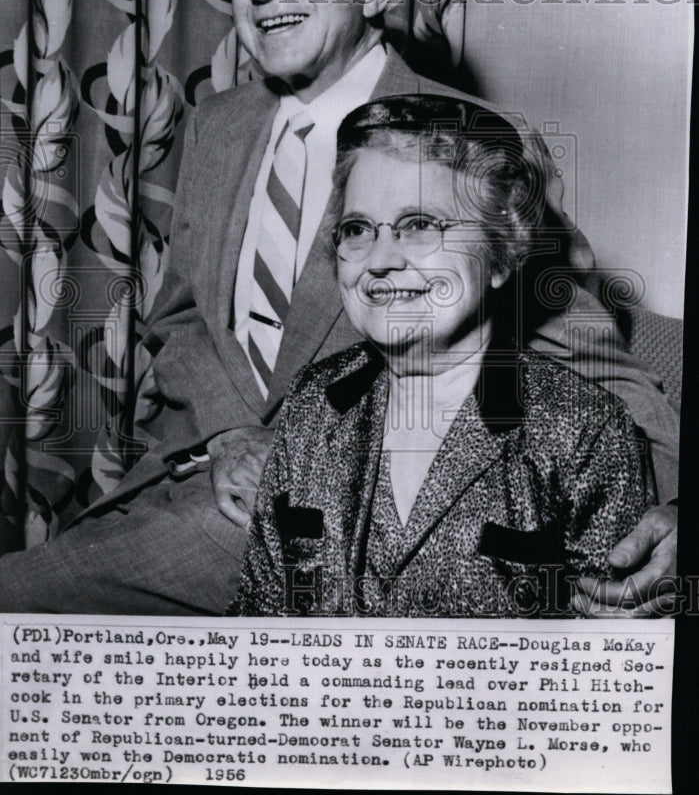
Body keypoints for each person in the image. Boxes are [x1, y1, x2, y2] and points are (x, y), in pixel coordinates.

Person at [0, 0, 678, 615]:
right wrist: (230, 434)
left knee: (18, 605)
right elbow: (182, 315)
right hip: (180, 467)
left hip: (329, 519)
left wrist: (674, 515)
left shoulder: (472, 136)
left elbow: (588, 359)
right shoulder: (217, 124)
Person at [234, 95, 655, 617]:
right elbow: (258, 624)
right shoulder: (313, 403)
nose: (381, 260)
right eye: (358, 229)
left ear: (500, 253)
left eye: (420, 225)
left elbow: (609, 672)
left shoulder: (584, 430)